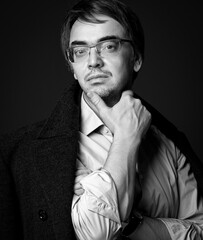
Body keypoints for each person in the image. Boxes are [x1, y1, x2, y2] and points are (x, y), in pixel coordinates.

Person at [0, 0, 203, 239]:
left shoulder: (170, 142)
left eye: (108, 46)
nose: (93, 61)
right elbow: (96, 233)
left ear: (136, 58)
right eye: (80, 51)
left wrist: (131, 224)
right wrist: (127, 137)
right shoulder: (20, 152)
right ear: (73, 66)